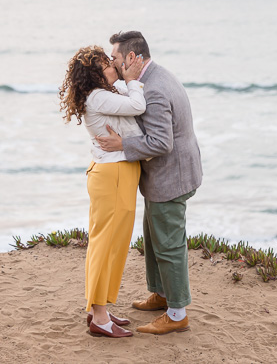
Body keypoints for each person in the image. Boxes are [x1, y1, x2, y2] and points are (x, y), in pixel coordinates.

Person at [95, 30, 202, 335]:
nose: (112, 64)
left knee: (167, 245)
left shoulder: (153, 89)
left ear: (132, 57)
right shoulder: (153, 77)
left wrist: (122, 147)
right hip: (171, 173)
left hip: (171, 177)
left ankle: (177, 313)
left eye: (115, 58)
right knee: (153, 237)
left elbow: (161, 142)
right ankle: (161, 295)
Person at [59, 45, 146, 339]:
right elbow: (138, 107)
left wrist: (125, 81)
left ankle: (101, 309)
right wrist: (132, 80)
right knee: (105, 245)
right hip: (114, 174)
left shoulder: (103, 94)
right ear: (96, 73)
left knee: (114, 244)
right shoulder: (99, 96)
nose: (113, 65)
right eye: (106, 63)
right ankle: (98, 315)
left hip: (115, 172)